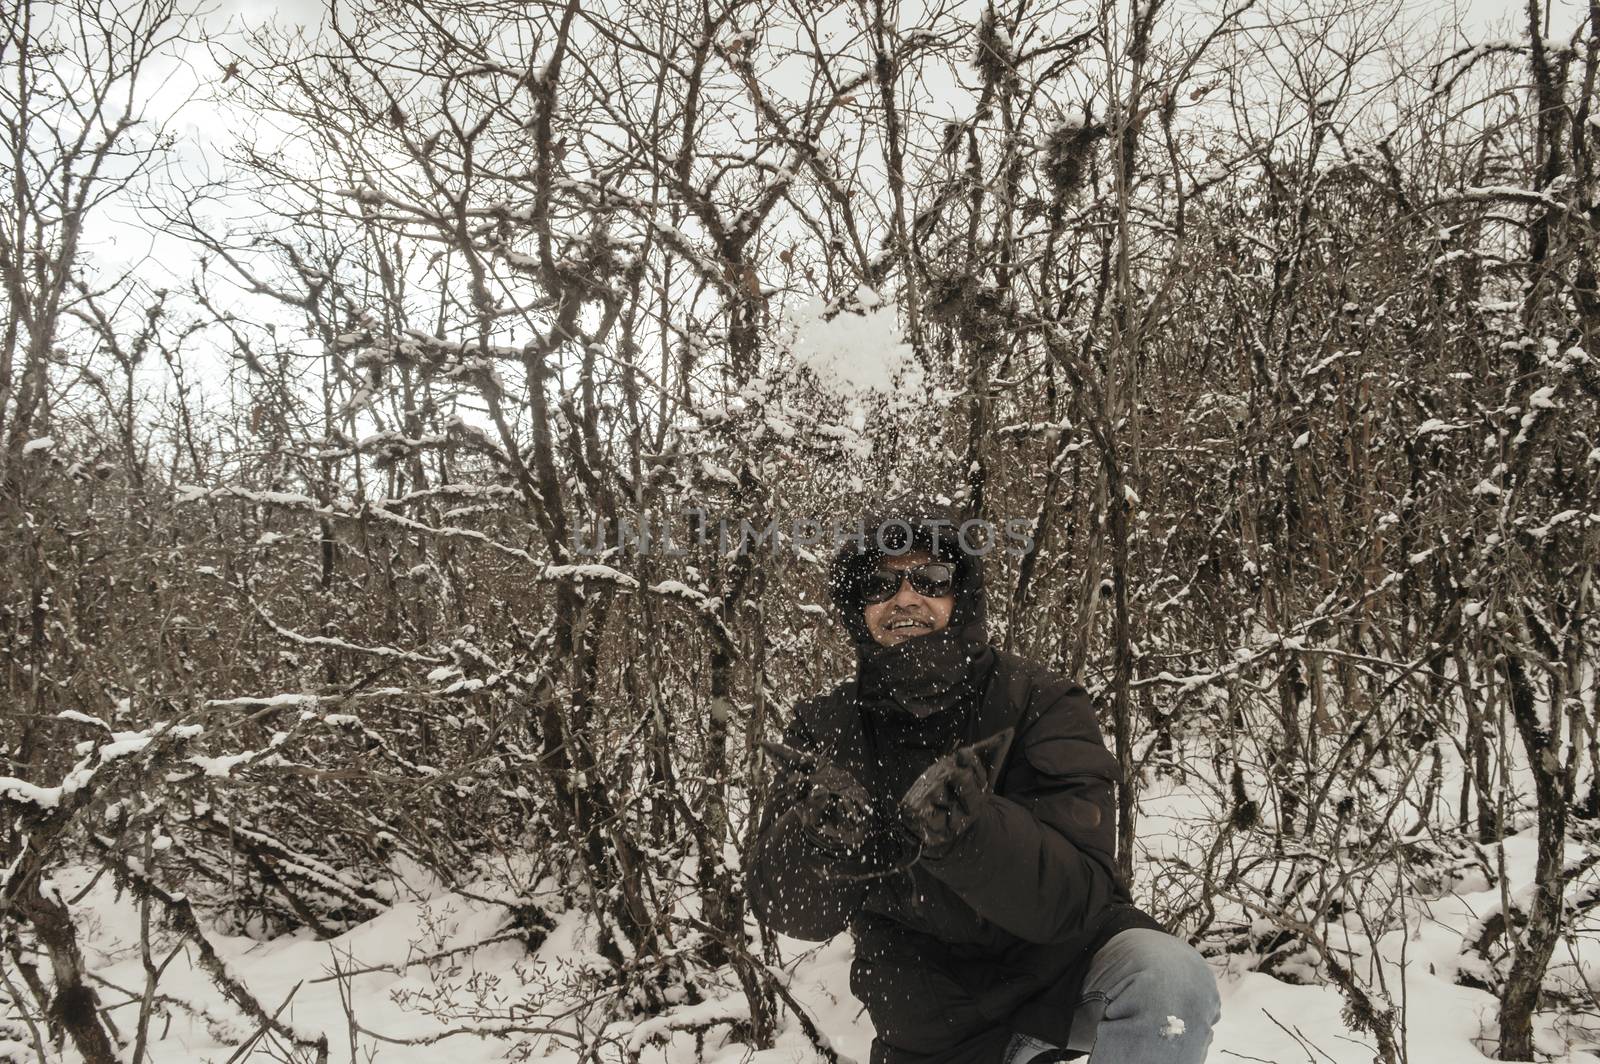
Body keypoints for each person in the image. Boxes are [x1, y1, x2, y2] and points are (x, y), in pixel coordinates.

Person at [744, 497, 1221, 1064]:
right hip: (928, 1009)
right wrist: (822, 841)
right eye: (880, 584)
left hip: (1063, 967)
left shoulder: (1041, 702)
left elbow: (1080, 896)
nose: (905, 598)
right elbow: (792, 914)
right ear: (857, 607)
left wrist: (969, 833)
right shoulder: (826, 725)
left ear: (959, 593)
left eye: (932, 577)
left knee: (1169, 981)